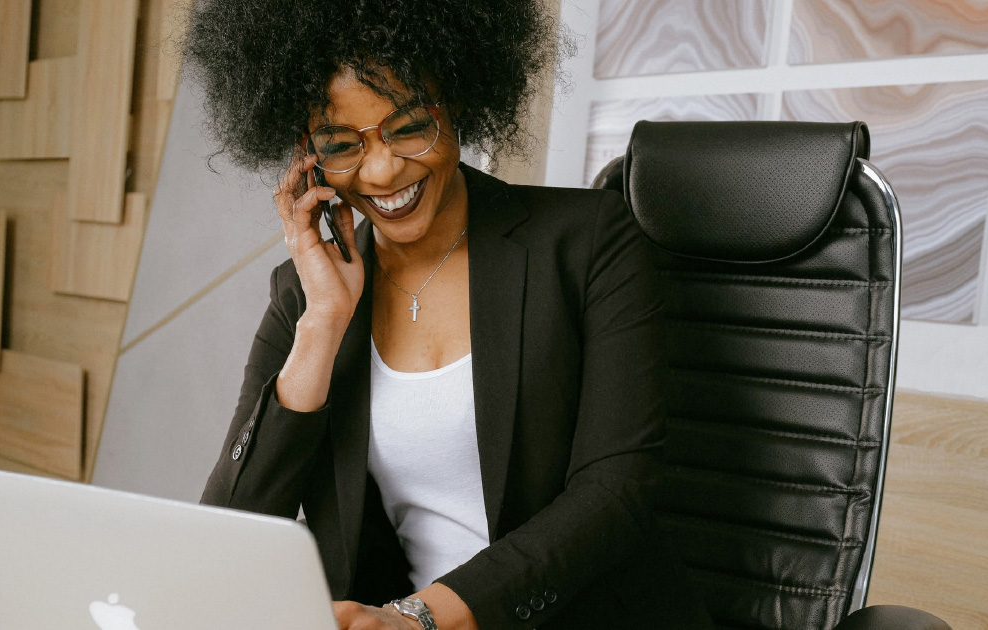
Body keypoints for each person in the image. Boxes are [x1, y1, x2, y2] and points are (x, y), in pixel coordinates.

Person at [188, 1, 712, 628]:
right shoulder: (307, 291)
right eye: (341, 144)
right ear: (309, 154)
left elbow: (617, 491)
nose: (382, 171)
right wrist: (324, 322)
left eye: (409, 128)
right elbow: (234, 525)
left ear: (458, 104)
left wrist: (420, 618)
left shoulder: (588, 242)